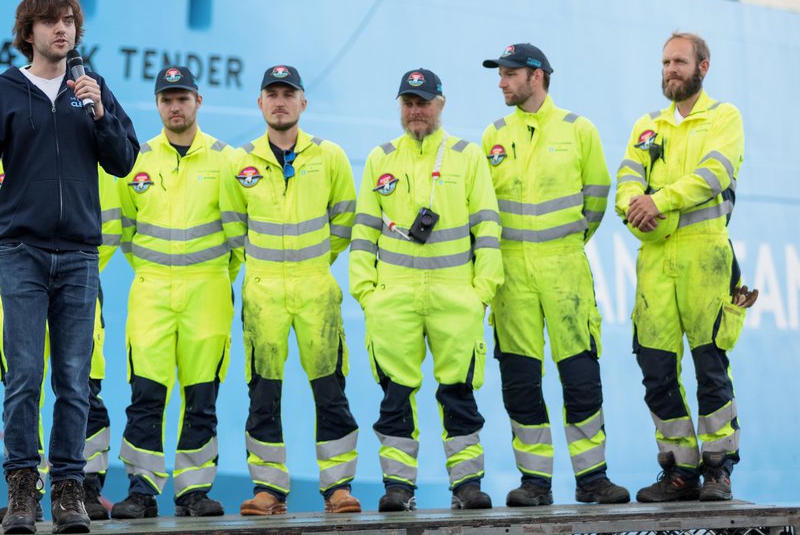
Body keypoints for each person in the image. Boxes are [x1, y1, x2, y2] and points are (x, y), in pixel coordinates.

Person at [0, 0, 139, 535]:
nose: (62, 30)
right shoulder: (7, 91)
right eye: (51, 21)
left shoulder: (90, 86)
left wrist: (100, 114)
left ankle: (69, 491)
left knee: (74, 380)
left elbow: (124, 160)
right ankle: (22, 491)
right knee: (24, 376)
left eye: (69, 21)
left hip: (79, 254)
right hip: (22, 253)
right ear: (28, 32)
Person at [479, 46, 630, 507]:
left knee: (581, 377)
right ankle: (534, 483)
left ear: (537, 76)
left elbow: (595, 199)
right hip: (511, 276)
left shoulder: (578, 130)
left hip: (565, 269)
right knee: (521, 381)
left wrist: (564, 243)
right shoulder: (493, 135)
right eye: (500, 74)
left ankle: (593, 479)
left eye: (510, 74)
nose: (501, 82)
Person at [350, 69, 502, 512]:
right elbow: (364, 231)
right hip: (393, 300)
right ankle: (399, 488)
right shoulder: (380, 158)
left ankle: (467, 486)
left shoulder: (467, 156)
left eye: (423, 102)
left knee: (459, 394)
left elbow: (487, 227)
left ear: (441, 104)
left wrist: (481, 292)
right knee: (395, 395)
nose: (415, 111)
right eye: (408, 103)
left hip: (455, 299)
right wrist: (367, 292)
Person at [222, 65, 361, 516]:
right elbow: (232, 225)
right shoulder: (239, 162)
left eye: (288, 94)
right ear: (260, 103)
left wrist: (314, 262)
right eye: (272, 94)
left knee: (330, 389)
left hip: (316, 287)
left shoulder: (330, 156)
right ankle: (269, 489)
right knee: (263, 392)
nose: (280, 102)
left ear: (303, 102)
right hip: (263, 291)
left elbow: (344, 219)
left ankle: (338, 488)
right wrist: (264, 268)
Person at [616, 32, 746, 503]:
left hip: (705, 257)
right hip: (655, 261)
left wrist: (659, 201)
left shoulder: (723, 117)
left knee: (710, 367)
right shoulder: (646, 126)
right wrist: (635, 207)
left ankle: (718, 470)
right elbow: (626, 181)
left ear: (702, 67)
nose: (670, 70)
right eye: (666, 62)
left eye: (680, 62)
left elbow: (714, 175)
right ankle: (680, 471)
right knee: (656, 370)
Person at [108, 66, 239, 520]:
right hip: (152, 292)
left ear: (198, 101)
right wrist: (154, 271)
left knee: (201, 395)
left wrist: (213, 274)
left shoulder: (226, 160)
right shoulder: (136, 161)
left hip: (208, 291)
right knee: (146, 394)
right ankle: (141, 491)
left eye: (182, 98)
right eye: (167, 99)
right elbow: (125, 231)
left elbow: (238, 234)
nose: (175, 106)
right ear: (157, 105)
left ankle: (193, 493)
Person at [0, 173, 122, 525]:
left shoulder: (84, 148)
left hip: (76, 278)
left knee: (81, 387)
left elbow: (109, 223)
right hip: (15, 283)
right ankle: (26, 493)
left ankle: (82, 489)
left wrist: (80, 264)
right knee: (22, 387)